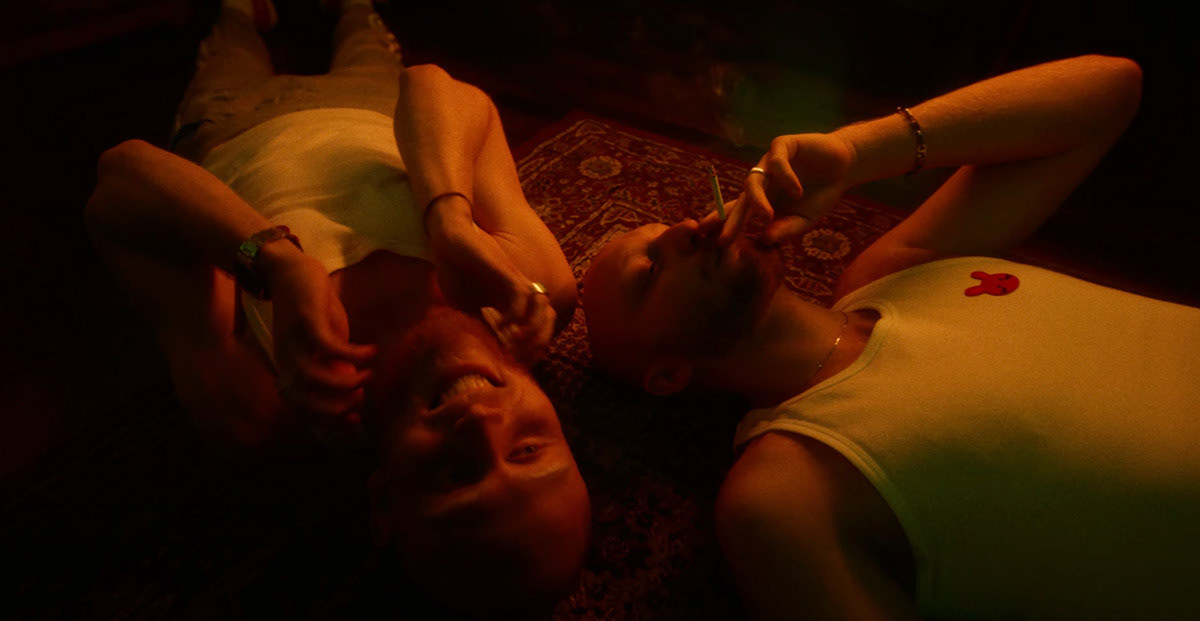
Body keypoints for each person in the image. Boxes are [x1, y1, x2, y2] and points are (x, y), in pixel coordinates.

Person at [582, 54, 1200, 620]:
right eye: (649, 271)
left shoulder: (893, 273)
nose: (687, 228)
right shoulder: (782, 492)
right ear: (668, 374)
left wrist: (860, 151)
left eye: (667, 225)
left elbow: (1110, 90)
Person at [85, 0, 589, 616]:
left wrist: (276, 263)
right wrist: (450, 217)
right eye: (528, 450)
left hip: (227, 123)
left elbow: (122, 176)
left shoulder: (263, 405)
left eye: (456, 475)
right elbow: (430, 86)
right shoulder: (527, 291)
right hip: (375, 104)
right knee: (362, 26)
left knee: (234, 33)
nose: (482, 424)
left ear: (384, 499)